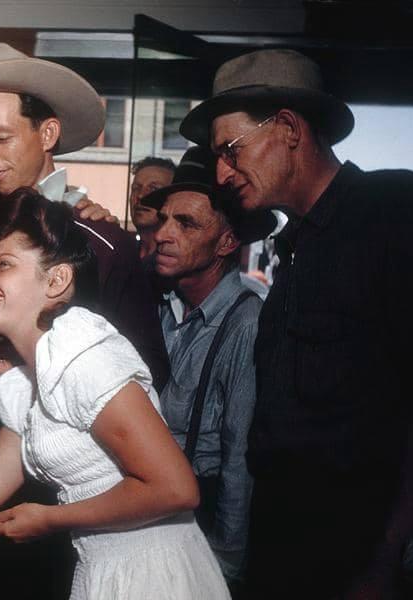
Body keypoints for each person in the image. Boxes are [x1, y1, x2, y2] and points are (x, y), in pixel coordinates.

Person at [180, 48, 413, 598]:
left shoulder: (397, 209)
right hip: (282, 546)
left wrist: (388, 558)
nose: (222, 173)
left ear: (287, 128)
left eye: (231, 151)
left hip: (359, 553)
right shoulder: (292, 247)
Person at [0, 189, 229, 600]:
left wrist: (51, 518)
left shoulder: (85, 355)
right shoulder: (32, 381)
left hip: (154, 575)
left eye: (3, 265)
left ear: (57, 280)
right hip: (103, 570)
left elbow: (176, 488)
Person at [0, 42, 170, 434]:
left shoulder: (104, 243)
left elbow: (146, 367)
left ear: (47, 133)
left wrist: (38, 375)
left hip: (56, 453)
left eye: (1, 137)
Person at [141, 145, 275, 591]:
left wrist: (226, 567)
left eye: (186, 223)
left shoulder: (246, 321)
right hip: (143, 514)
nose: (163, 233)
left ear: (227, 242)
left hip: (200, 524)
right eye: (163, 219)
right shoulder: (157, 306)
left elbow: (241, 458)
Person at [129, 155, 176, 259]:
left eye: (154, 189)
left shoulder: (174, 260)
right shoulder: (123, 252)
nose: (140, 195)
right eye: (136, 188)